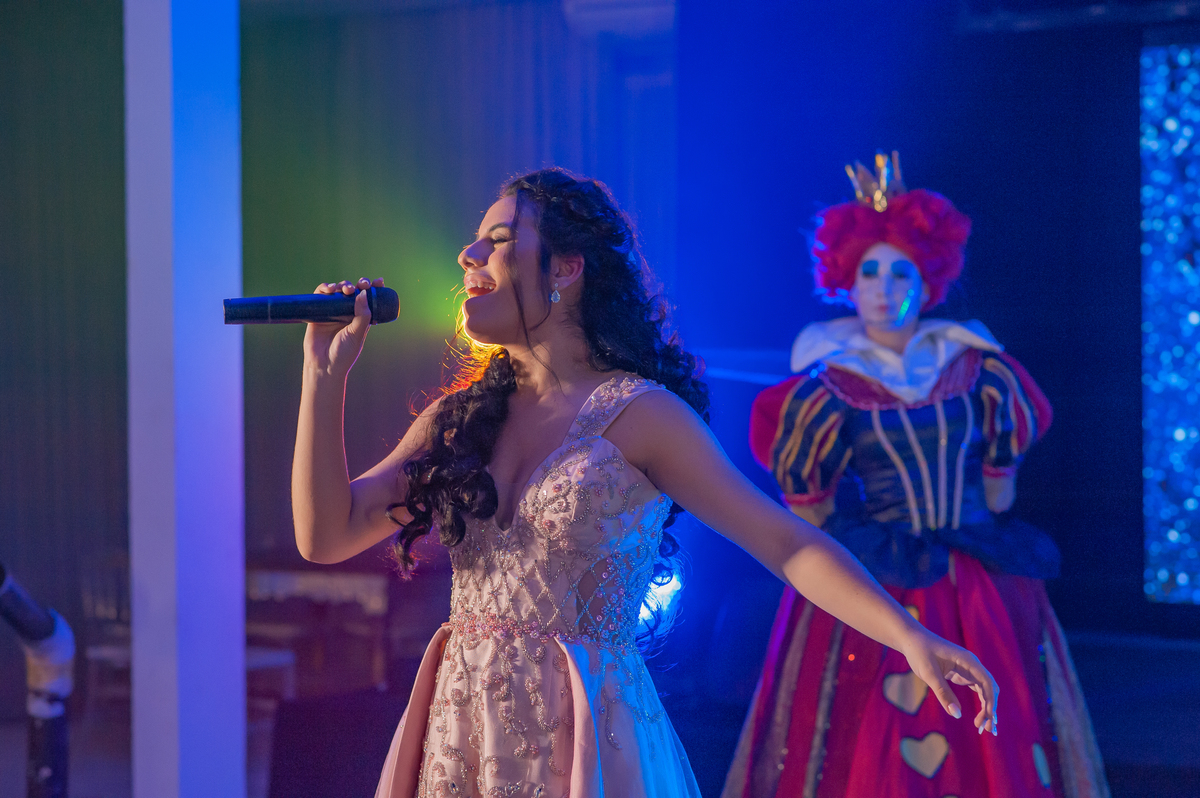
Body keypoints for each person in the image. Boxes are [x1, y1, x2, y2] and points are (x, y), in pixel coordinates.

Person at [290, 167, 998, 798]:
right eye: (474, 242)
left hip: (586, 740)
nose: (467, 255)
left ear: (567, 268)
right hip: (460, 735)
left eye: (498, 240)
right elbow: (326, 535)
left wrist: (907, 634)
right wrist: (323, 378)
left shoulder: (640, 414)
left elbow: (785, 542)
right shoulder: (458, 421)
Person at [722, 154, 1109, 798]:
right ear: (847, 283)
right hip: (879, 576)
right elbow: (806, 513)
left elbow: (999, 490)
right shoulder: (828, 384)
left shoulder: (978, 368)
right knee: (876, 735)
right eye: (868, 272)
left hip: (978, 581)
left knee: (997, 729)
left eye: (899, 271)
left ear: (927, 282)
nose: (882, 287)